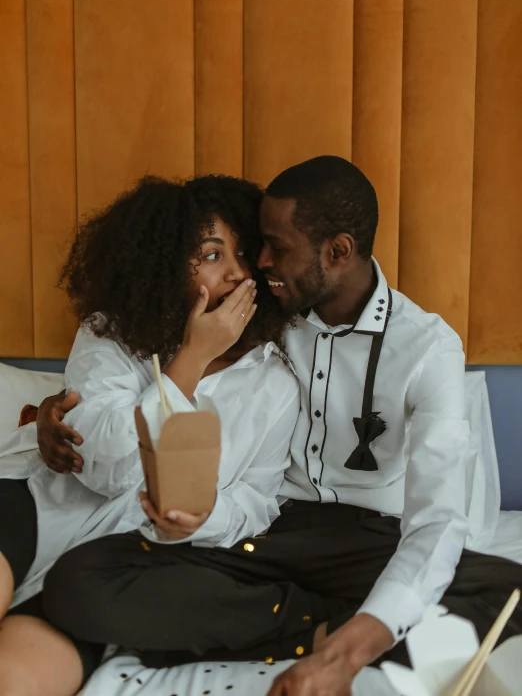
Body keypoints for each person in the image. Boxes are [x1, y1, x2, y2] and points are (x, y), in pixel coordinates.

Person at [40, 157, 522, 696]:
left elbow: (438, 521)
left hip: (366, 540)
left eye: (276, 247)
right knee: (79, 582)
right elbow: (147, 343)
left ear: (337, 251)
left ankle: (306, 630)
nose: (258, 264)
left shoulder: (427, 348)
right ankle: (316, 625)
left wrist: (347, 655)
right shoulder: (266, 314)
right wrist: (49, 410)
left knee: (506, 590)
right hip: (265, 532)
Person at [0, 174, 300, 696]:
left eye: (243, 252)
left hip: (109, 563)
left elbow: (257, 501)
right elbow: (109, 467)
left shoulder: (274, 382)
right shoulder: (110, 335)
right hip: (31, 505)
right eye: (210, 254)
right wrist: (191, 359)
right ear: (162, 263)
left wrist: (206, 517)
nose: (234, 271)